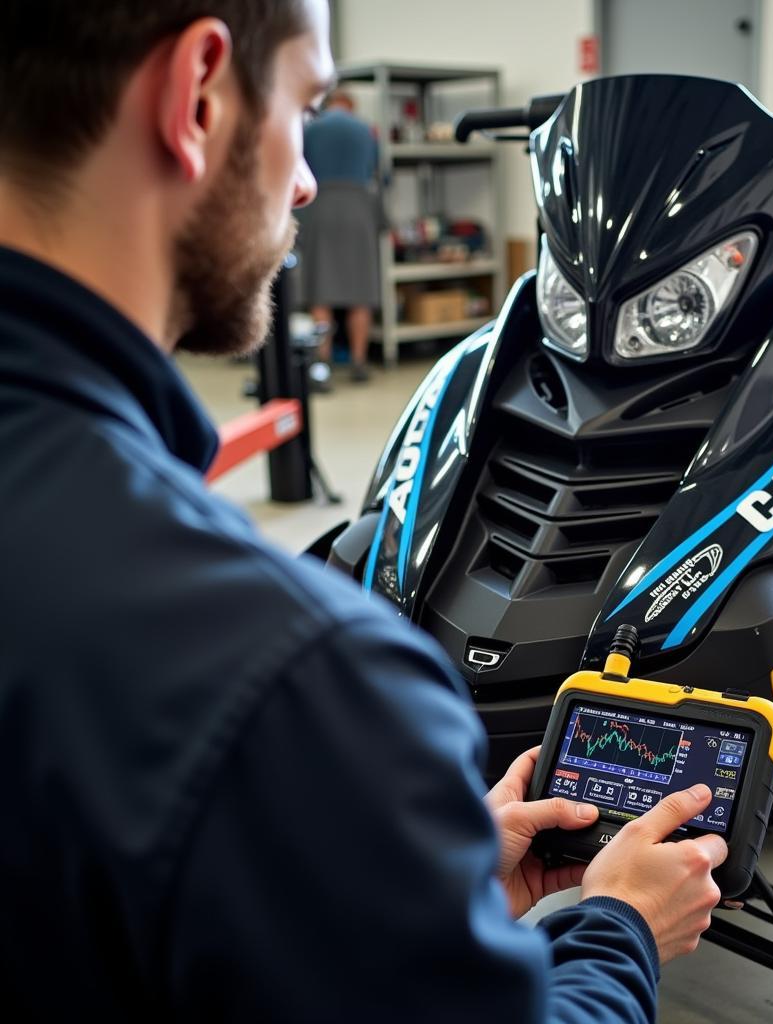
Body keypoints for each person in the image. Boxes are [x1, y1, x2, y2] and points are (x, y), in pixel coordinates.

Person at [0, 2, 727, 1021]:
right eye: (305, 102)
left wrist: (414, 881)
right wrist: (614, 930)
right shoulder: (294, 683)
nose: (304, 182)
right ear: (199, 95)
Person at [298, 86, 380, 385]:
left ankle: (323, 363)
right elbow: (379, 174)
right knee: (362, 292)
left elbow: (299, 171)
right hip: (359, 211)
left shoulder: (311, 129)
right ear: (350, 104)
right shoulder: (366, 131)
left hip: (321, 210)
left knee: (323, 291)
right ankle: (359, 361)